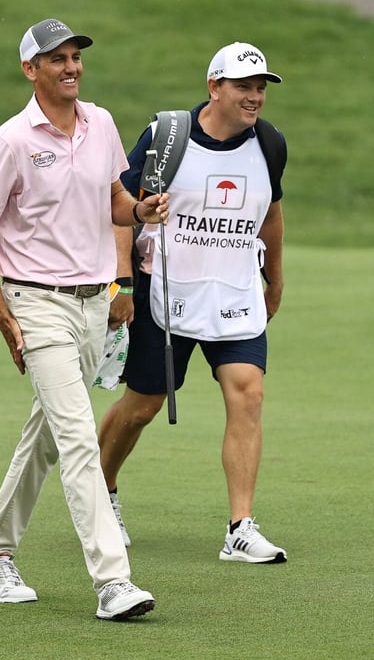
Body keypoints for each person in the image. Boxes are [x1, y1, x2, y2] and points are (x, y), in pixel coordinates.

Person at [0, 18, 168, 620]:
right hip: (36, 303)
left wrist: (143, 209)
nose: (71, 66)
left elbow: (114, 202)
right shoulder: (10, 142)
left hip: (93, 305)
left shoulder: (100, 123)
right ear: (31, 70)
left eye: (75, 56)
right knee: (79, 438)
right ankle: (113, 582)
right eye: (57, 59)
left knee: (47, 437)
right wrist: (3, 315)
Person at [97, 42, 288, 564]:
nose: (253, 97)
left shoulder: (269, 144)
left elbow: (270, 213)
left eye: (260, 88)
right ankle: (101, 493)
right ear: (214, 87)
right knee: (142, 406)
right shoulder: (166, 137)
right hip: (164, 291)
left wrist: (275, 278)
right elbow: (122, 208)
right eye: (243, 87)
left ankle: (240, 528)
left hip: (235, 290)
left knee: (247, 393)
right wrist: (122, 285)